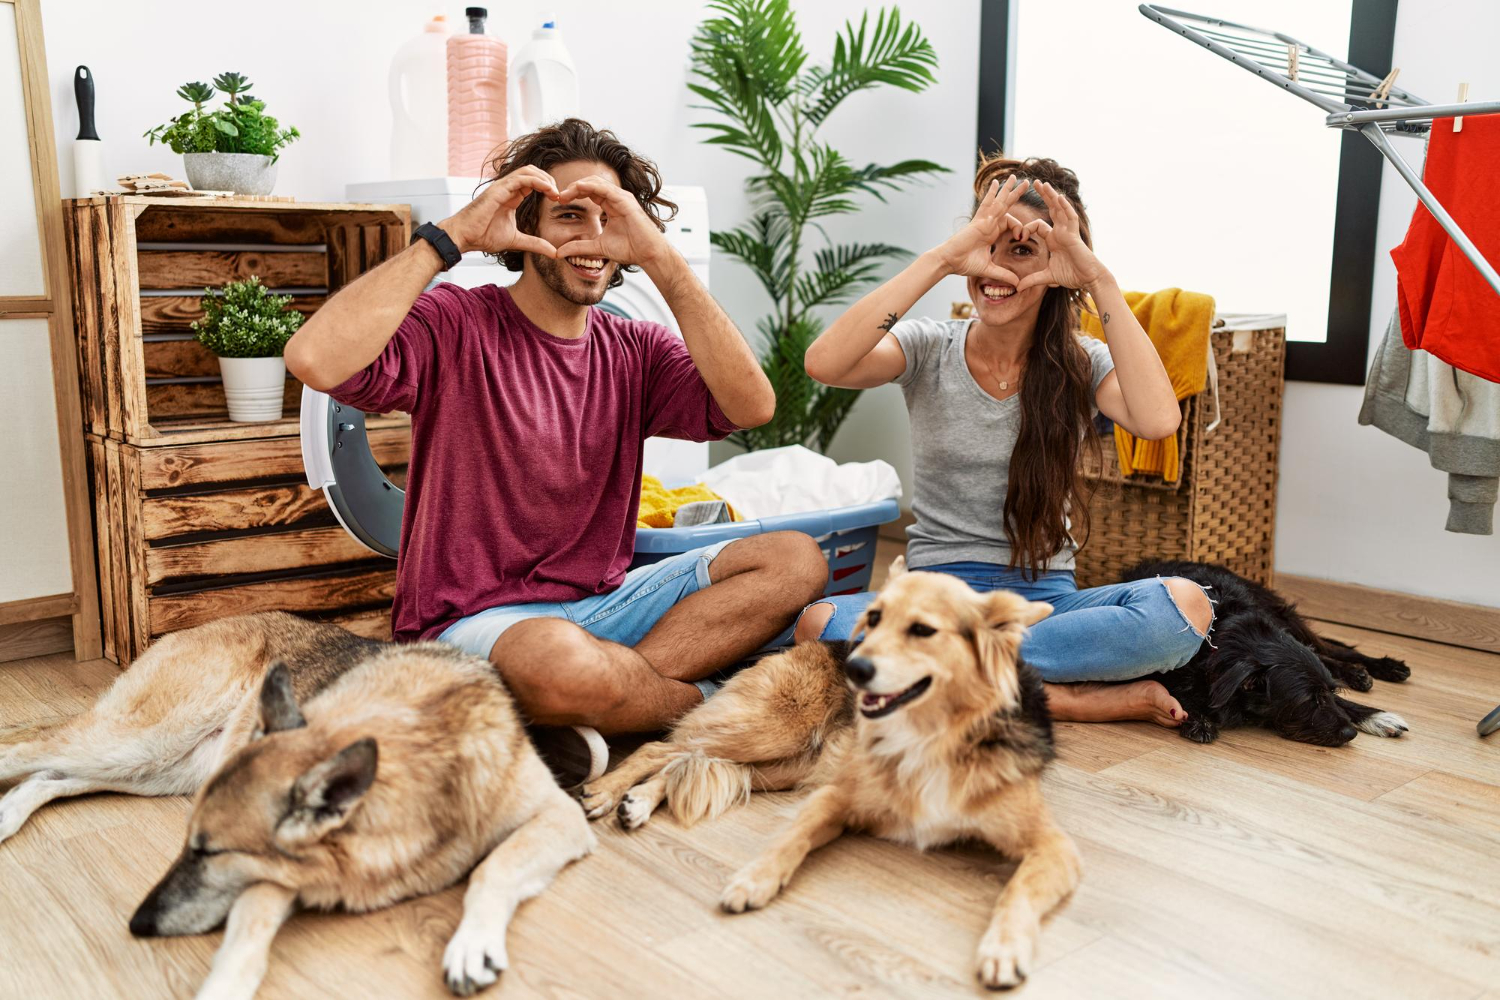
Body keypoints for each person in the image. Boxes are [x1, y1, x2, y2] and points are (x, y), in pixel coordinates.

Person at [285, 120, 828, 783]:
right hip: (476, 623)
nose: (593, 237)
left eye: (613, 218)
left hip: (603, 608)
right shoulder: (458, 323)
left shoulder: (636, 350)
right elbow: (313, 359)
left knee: (796, 559)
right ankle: (702, 707)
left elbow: (754, 407)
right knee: (559, 663)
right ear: (525, 226)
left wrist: (660, 256)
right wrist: (451, 236)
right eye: (571, 215)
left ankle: (599, 706)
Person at [795, 154, 1214, 728]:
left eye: (1020, 250)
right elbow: (825, 362)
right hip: (933, 602)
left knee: (1186, 608)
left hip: (1044, 604)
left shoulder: (1082, 363)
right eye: (987, 242)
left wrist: (1098, 279)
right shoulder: (927, 348)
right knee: (820, 624)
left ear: (1057, 265)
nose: (996, 268)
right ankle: (1061, 699)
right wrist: (943, 258)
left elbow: (1159, 420)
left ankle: (952, 679)